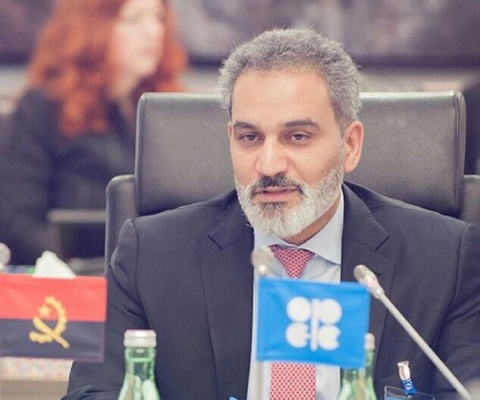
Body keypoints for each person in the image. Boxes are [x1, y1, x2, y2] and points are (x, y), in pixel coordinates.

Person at [63, 28, 480, 400]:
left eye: (297, 136)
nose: (268, 164)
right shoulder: (151, 255)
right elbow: (91, 392)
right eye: (250, 137)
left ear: (350, 145)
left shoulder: (444, 260)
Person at [0, 0, 187, 265]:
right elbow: (17, 222)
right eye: (133, 19)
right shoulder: (43, 107)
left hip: (149, 272)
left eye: (157, 17)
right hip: (72, 274)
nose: (153, 31)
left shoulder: (164, 109)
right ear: (90, 29)